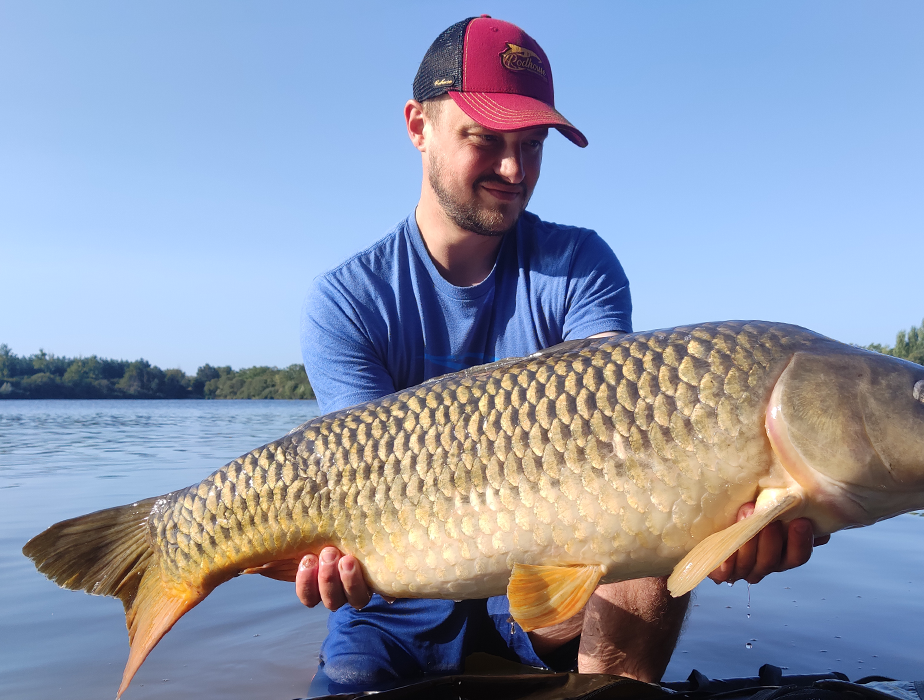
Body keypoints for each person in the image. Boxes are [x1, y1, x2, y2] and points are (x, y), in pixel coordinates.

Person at [292, 15, 825, 695]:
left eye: (534, 144)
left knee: (648, 547)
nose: (515, 169)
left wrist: (723, 519)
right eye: (485, 139)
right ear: (417, 127)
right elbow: (358, 490)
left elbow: (630, 417)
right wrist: (323, 559)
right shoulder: (347, 300)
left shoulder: (580, 266)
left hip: (553, 595)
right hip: (394, 607)